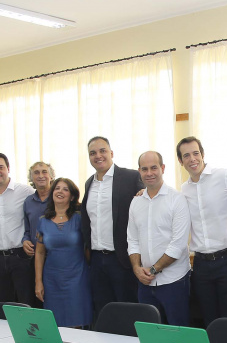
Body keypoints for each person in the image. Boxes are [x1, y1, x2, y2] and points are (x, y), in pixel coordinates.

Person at [178, 136, 227, 326]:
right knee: (209, 321)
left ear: (203, 154)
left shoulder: (224, 176)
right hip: (201, 265)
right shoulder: (184, 190)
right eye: (186, 156)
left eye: (196, 153)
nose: (192, 159)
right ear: (180, 161)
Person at [80, 136, 145, 321]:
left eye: (102, 151)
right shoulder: (89, 183)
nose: (98, 156)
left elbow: (148, 207)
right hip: (97, 261)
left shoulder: (131, 177)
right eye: (93, 153)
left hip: (122, 259)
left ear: (111, 153)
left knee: (128, 313)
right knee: (103, 313)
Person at [127, 151, 191, 326]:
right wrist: (136, 268)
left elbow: (178, 245)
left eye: (154, 168)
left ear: (162, 168)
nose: (149, 173)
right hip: (144, 283)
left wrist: (153, 270)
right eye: (144, 169)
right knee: (151, 335)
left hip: (174, 281)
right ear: (139, 171)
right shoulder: (136, 202)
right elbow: (132, 241)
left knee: (178, 337)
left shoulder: (177, 199)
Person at [34, 178, 93, 327]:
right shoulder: (43, 221)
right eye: (57, 188)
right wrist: (38, 282)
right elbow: (39, 253)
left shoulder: (80, 218)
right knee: (55, 324)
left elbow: (88, 249)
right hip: (51, 280)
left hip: (77, 279)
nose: (60, 191)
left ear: (72, 196)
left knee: (78, 321)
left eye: (65, 189)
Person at [0, 153, 35, 305]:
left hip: (21, 257)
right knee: (2, 304)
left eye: (1, 167)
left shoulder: (25, 191)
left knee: (26, 302)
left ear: (8, 168)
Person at [22, 161, 55, 308]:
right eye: (36, 173)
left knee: (55, 302)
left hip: (56, 259)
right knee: (36, 300)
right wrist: (25, 240)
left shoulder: (60, 197)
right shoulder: (28, 201)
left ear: (51, 176)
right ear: (32, 178)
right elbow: (27, 229)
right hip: (35, 259)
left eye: (44, 172)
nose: (41, 176)